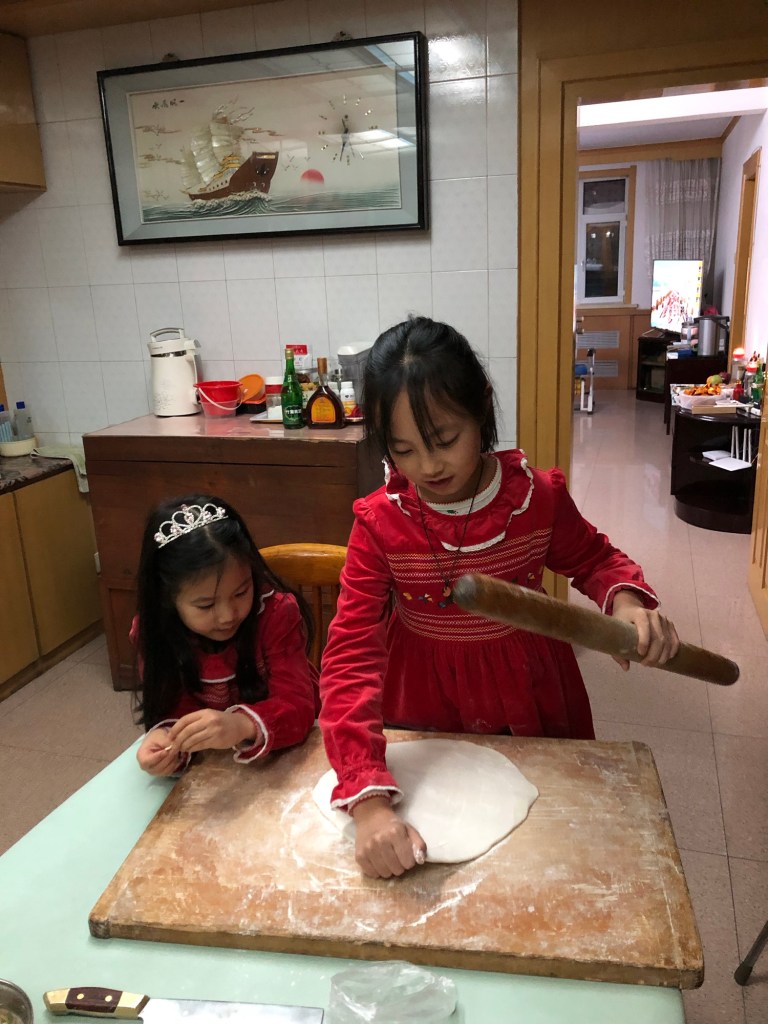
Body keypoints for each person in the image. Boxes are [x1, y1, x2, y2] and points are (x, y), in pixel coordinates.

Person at [318, 316, 680, 880]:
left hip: (530, 694)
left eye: (445, 441)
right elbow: (350, 657)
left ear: (482, 407)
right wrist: (367, 799)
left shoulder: (535, 499)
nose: (428, 466)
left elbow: (594, 560)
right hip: (424, 702)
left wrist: (628, 604)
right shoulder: (379, 525)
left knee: (547, 848)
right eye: (403, 450)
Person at [133, 494, 317, 776]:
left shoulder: (275, 613)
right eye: (206, 605)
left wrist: (241, 725)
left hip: (291, 751)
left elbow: (297, 706)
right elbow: (173, 709)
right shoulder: (155, 633)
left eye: (241, 592)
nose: (228, 615)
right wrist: (166, 739)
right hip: (215, 769)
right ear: (167, 600)